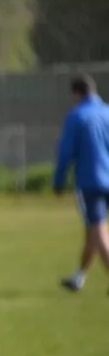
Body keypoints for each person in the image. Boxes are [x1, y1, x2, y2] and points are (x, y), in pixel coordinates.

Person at [53, 74, 109, 292]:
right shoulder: (106, 112)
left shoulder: (77, 116)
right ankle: (78, 276)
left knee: (98, 230)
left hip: (91, 180)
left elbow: (66, 151)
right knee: (92, 230)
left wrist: (59, 180)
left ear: (77, 93)